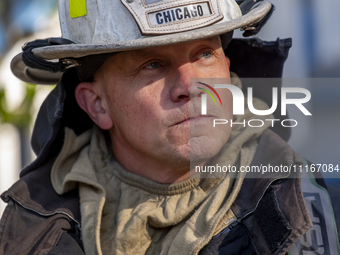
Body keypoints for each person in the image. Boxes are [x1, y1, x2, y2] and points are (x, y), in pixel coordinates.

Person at [0, 0, 339, 254]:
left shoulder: (316, 215)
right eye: (153, 64)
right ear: (97, 104)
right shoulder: (29, 234)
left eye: (204, 54)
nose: (190, 86)